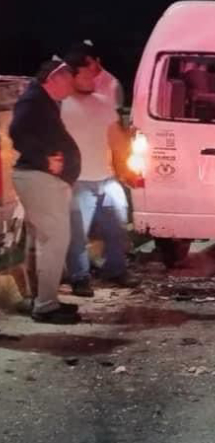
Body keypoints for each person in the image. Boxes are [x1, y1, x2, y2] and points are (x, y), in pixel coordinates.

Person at [9, 60, 83, 324]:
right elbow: (16, 131)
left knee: (44, 243)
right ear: (54, 78)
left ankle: (43, 300)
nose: (71, 87)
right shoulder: (33, 101)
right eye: (68, 80)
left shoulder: (41, 101)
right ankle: (45, 305)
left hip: (42, 180)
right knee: (53, 241)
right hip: (39, 178)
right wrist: (44, 160)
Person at [61, 53, 139, 296]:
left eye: (94, 73)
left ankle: (115, 270)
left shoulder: (104, 102)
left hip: (106, 179)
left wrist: (126, 171)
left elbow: (116, 140)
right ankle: (79, 277)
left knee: (117, 228)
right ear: (72, 76)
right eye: (87, 75)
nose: (93, 79)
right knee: (77, 235)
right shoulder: (60, 105)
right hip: (76, 181)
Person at [65, 40, 123, 107]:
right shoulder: (72, 79)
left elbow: (115, 112)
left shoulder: (113, 85)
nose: (87, 69)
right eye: (83, 65)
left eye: (89, 63)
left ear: (98, 60)